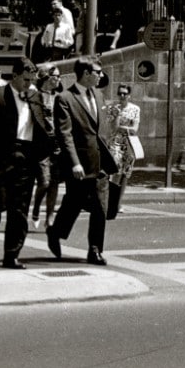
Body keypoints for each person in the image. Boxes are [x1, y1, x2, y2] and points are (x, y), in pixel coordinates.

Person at [0, 57, 56, 268]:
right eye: (26, 79)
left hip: (26, 157)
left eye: (32, 80)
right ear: (16, 75)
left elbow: (42, 126)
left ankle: (11, 255)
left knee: (19, 211)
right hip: (1, 157)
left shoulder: (35, 96)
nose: (29, 84)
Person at [46, 59, 118, 266]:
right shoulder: (65, 98)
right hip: (80, 164)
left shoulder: (98, 94)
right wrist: (74, 163)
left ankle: (95, 249)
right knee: (73, 203)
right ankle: (55, 232)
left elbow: (99, 130)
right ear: (86, 73)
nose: (101, 76)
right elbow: (65, 134)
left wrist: (110, 156)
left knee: (100, 207)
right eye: (97, 72)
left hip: (100, 163)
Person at [31, 66, 65, 230]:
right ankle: (36, 207)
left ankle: (50, 217)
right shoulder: (35, 96)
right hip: (41, 145)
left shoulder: (59, 97)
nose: (59, 79)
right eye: (56, 76)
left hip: (57, 145)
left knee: (54, 182)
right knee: (44, 182)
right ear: (46, 77)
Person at [103, 82, 143, 218]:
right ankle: (110, 203)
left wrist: (123, 127)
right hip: (115, 143)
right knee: (115, 173)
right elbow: (113, 128)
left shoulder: (135, 109)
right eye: (119, 93)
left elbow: (135, 129)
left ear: (129, 95)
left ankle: (118, 203)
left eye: (124, 93)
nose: (122, 96)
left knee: (125, 174)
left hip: (129, 144)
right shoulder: (112, 108)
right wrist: (119, 116)